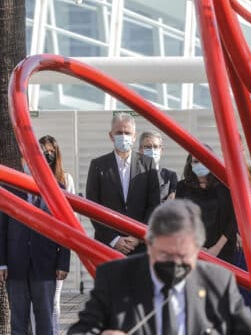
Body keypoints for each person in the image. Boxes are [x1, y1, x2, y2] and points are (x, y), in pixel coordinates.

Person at [67, 199, 251, 335]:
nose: (174, 263)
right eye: (165, 254)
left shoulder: (217, 281)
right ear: (149, 245)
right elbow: (81, 330)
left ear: (197, 250)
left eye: (182, 256)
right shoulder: (115, 277)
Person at [1, 159, 71, 335]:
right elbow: (1, 228)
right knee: (18, 322)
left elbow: (65, 228)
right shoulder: (9, 189)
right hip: (16, 266)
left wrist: (63, 261)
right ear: (24, 160)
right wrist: (2, 263)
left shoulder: (57, 189)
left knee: (45, 321)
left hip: (46, 265)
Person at [85, 113, 160, 255]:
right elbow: (92, 205)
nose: (124, 136)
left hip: (140, 247)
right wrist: (114, 239)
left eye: (127, 133)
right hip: (108, 246)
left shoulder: (148, 164)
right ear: (111, 135)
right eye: (119, 132)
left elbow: (154, 204)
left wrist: (139, 236)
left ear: (134, 136)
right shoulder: (98, 165)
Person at [39, 135, 76, 334]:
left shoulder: (65, 180)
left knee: (53, 301)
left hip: (55, 248)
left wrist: (65, 258)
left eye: (52, 151)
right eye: (44, 151)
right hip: (35, 248)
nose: (48, 155)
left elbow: (69, 220)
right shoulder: (31, 178)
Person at [175, 146, 237, 263]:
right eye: (196, 161)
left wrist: (216, 248)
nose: (200, 164)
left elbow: (233, 220)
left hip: (221, 252)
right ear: (190, 164)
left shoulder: (224, 187)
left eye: (204, 160)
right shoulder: (182, 187)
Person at [139, 130, 178, 202]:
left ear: (161, 150)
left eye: (155, 147)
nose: (152, 150)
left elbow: (171, 204)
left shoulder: (170, 176)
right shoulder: (131, 174)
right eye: (148, 147)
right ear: (140, 150)